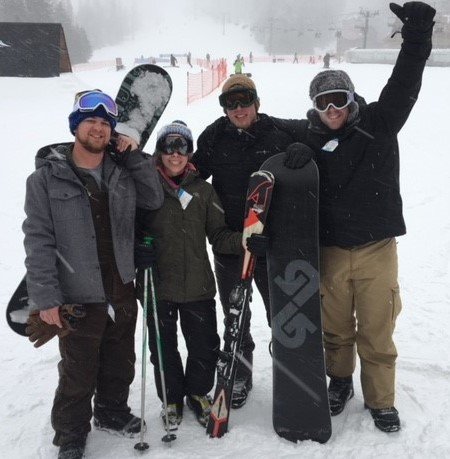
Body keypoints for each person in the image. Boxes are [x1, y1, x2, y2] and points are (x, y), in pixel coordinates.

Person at [284, 1, 436, 433]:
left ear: (351, 100)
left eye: (339, 100)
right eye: (323, 102)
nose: (332, 109)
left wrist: (418, 32)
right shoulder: (308, 134)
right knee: (334, 329)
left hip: (375, 249)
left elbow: (407, 77)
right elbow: (257, 124)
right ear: (314, 105)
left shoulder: (380, 122)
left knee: (376, 328)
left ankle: (381, 399)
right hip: (330, 250)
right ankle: (340, 381)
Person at [22, 90, 164, 458]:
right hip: (77, 290)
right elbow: (38, 240)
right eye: (91, 121)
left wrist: (134, 156)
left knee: (121, 359)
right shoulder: (45, 179)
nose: (99, 128)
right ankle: (70, 434)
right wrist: (46, 297)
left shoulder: (121, 171)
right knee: (78, 369)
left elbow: (153, 199)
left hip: (121, 283)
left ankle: (111, 412)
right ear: (75, 126)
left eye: (105, 123)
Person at [192, 75, 303, 408]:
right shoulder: (214, 136)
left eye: (245, 101)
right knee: (234, 314)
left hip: (271, 244)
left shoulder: (278, 134)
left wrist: (303, 149)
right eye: (231, 103)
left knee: (281, 313)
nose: (238, 109)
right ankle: (240, 375)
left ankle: (294, 374)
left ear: (257, 103)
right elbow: (192, 173)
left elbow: (312, 144)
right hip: (231, 243)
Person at [135, 121, 243, 429]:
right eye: (168, 147)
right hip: (158, 285)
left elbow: (219, 235)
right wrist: (137, 248)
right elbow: (126, 229)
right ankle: (171, 398)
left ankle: (197, 393)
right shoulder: (145, 187)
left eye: (181, 147)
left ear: (189, 151)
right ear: (159, 151)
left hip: (197, 285)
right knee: (163, 347)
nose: (174, 155)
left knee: (204, 344)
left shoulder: (203, 191)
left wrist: (245, 240)